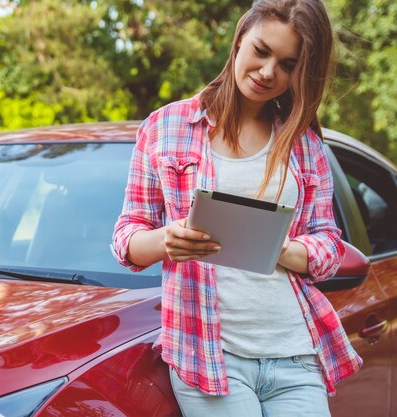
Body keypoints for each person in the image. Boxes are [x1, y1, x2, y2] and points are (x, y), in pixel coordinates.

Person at [111, 1, 362, 416]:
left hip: (295, 354)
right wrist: (166, 240)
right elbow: (126, 238)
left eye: (287, 64)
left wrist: (281, 248)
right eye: (261, 51)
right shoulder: (166, 127)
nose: (268, 72)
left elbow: (329, 246)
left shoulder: (304, 144)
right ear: (240, 37)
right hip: (209, 356)